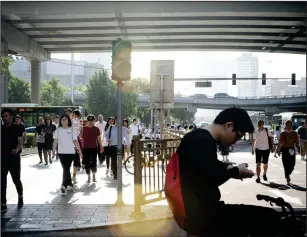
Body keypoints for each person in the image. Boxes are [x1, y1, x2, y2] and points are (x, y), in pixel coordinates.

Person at [176, 108, 281, 236]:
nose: (234, 141)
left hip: (200, 213)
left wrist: (231, 169)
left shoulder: (196, 136)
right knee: (270, 217)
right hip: (205, 217)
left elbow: (206, 166)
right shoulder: (203, 141)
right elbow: (212, 177)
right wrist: (236, 171)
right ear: (228, 126)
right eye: (237, 137)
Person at [53, 114, 82, 195]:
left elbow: (76, 141)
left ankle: (63, 185)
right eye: (62, 119)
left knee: (66, 168)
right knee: (66, 168)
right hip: (61, 153)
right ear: (60, 121)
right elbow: (55, 141)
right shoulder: (58, 129)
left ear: (68, 120)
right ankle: (69, 183)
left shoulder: (72, 129)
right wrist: (53, 151)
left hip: (70, 152)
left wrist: (80, 152)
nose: (64, 121)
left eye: (65, 119)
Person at [1, 109, 24, 212]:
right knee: (2, 181)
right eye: (3, 116)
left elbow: (20, 141)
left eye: (6, 116)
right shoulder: (1, 129)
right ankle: (3, 202)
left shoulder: (17, 128)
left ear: (11, 117)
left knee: (16, 179)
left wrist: (17, 149)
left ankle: (20, 195)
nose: (4, 118)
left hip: (14, 158)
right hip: (2, 159)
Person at [80, 114, 103, 183]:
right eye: (88, 120)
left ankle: (94, 175)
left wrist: (101, 147)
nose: (90, 122)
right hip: (85, 148)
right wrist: (81, 132)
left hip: (94, 148)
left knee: (94, 161)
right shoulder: (83, 128)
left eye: (91, 120)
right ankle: (88, 176)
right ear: (86, 121)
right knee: (87, 162)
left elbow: (99, 139)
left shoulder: (96, 129)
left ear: (94, 121)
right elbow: (81, 137)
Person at [278, 120, 300, 184]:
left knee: (292, 164)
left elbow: (297, 142)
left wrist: (298, 148)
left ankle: (288, 173)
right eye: (287, 125)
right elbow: (279, 143)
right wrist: (279, 151)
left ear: (291, 125)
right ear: (286, 126)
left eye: (290, 125)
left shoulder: (294, 133)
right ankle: (287, 177)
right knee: (285, 164)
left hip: (291, 149)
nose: (289, 127)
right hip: (284, 149)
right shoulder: (283, 133)